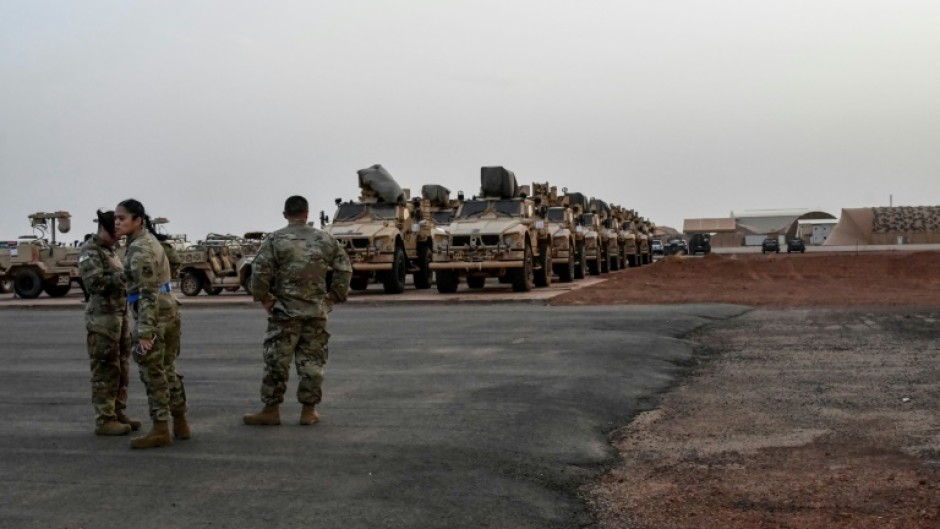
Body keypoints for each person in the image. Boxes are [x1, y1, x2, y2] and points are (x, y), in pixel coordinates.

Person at [243, 195, 351, 426]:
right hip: (315, 311)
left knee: (276, 361)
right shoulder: (325, 239)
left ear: (285, 214)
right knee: (312, 361)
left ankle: (271, 410)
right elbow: (344, 268)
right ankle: (308, 411)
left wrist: (265, 299)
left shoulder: (275, 240)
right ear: (307, 214)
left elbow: (260, 272)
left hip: (284, 312)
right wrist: (333, 297)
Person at [114, 199, 190, 449]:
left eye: (122, 218)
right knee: (168, 368)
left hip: (154, 312)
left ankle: (160, 428)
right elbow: (173, 263)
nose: (117, 222)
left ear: (138, 220)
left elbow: (147, 291)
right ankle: (180, 422)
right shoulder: (150, 241)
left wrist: (145, 332)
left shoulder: (140, 249)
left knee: (153, 372)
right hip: (168, 307)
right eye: (116, 218)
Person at [77, 209, 141, 436]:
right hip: (102, 322)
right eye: (114, 233)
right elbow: (95, 284)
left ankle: (118, 412)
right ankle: (105, 419)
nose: (118, 237)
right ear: (103, 229)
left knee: (122, 367)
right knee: (105, 369)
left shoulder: (110, 252)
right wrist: (127, 275)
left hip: (118, 318)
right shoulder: (89, 251)